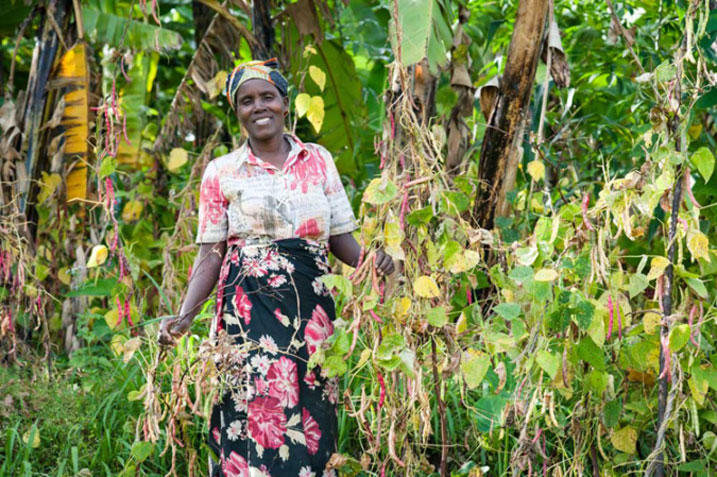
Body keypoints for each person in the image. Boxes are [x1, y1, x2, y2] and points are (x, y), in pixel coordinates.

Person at [157, 58, 395, 477]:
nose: (258, 107)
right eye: (247, 101)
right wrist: (184, 316)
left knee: (313, 411)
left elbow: (338, 236)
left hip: (312, 310)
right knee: (256, 410)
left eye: (267, 96)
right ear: (238, 112)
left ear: (285, 103)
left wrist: (372, 262)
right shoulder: (222, 172)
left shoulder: (318, 159)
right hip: (247, 313)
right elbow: (211, 254)